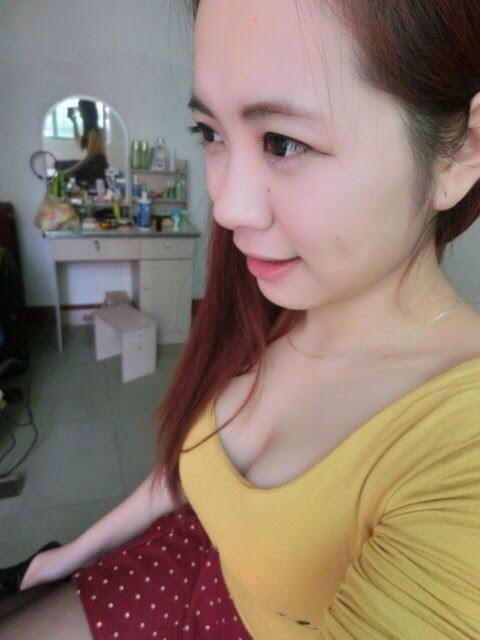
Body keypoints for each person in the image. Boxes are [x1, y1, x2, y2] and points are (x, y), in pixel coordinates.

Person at [1, 0, 480, 637]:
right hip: (193, 556)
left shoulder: (461, 449)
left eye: (283, 142)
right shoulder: (271, 309)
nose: (226, 208)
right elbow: (188, 469)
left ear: (461, 152)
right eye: (210, 134)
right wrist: (77, 550)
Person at [63, 99, 108, 188]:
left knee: (69, 169)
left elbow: (89, 158)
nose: (80, 114)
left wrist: (69, 171)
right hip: (93, 167)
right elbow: (79, 142)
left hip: (96, 170)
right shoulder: (90, 131)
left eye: (81, 111)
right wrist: (74, 121)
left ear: (87, 112)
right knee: (67, 165)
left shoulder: (95, 132)